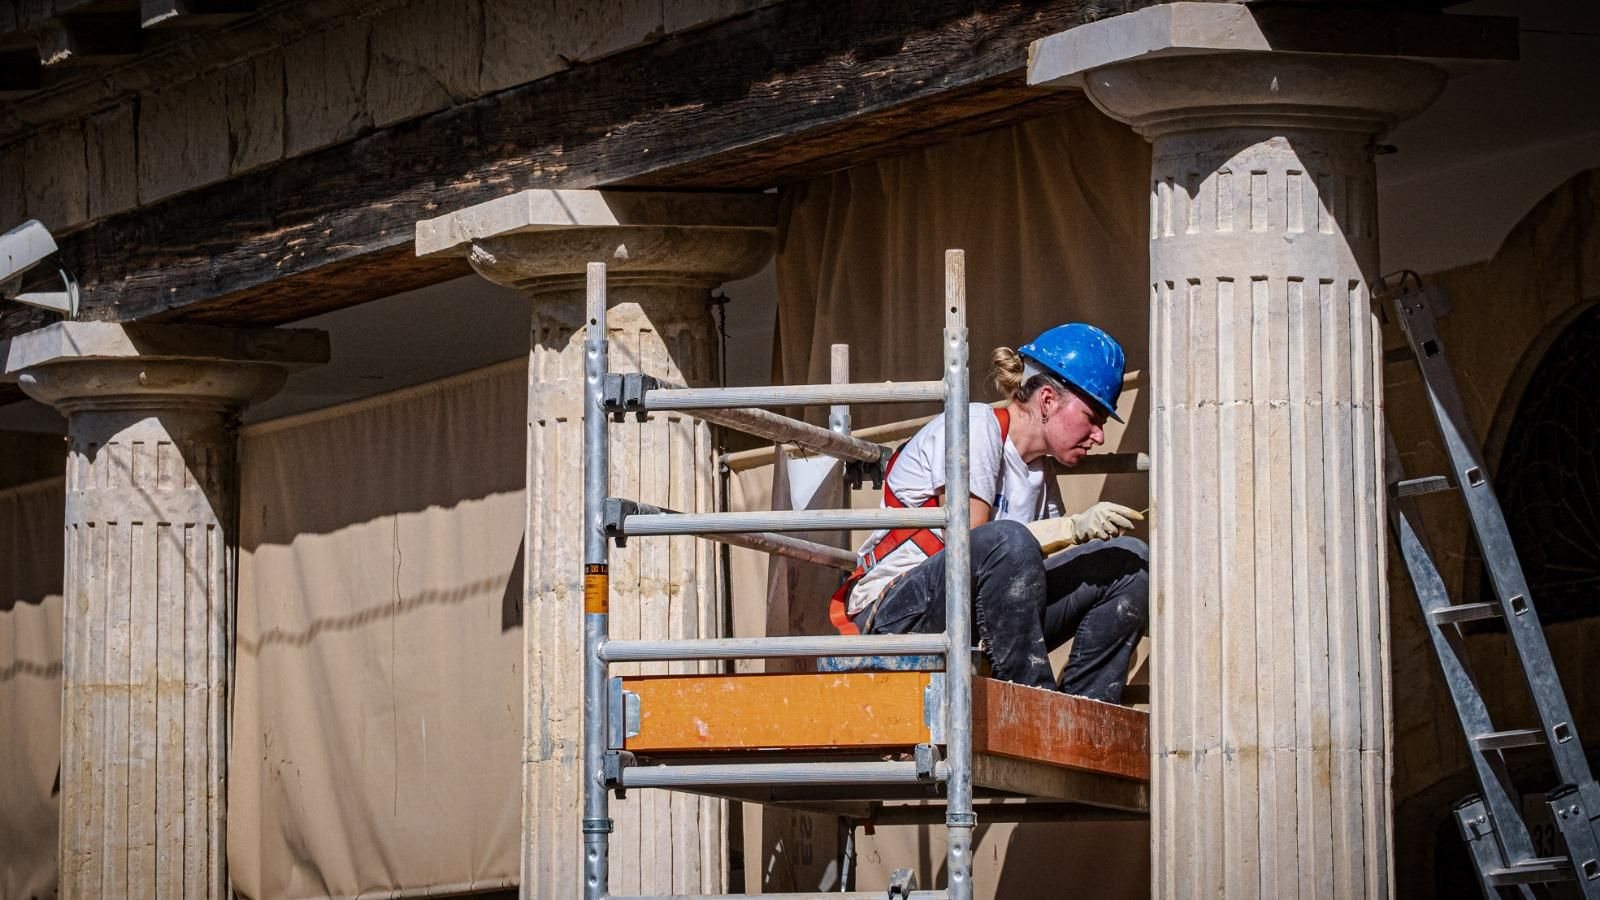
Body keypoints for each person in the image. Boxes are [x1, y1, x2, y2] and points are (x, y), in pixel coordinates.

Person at [830, 323, 1149, 703]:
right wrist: (1071, 527)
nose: (1099, 436)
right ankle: (1036, 705)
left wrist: (1075, 538)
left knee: (1131, 563)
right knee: (1007, 539)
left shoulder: (1040, 473)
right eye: (1092, 417)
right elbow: (971, 542)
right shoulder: (977, 426)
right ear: (1047, 400)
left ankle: (1088, 713)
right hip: (899, 618)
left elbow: (1029, 581)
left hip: (973, 618)